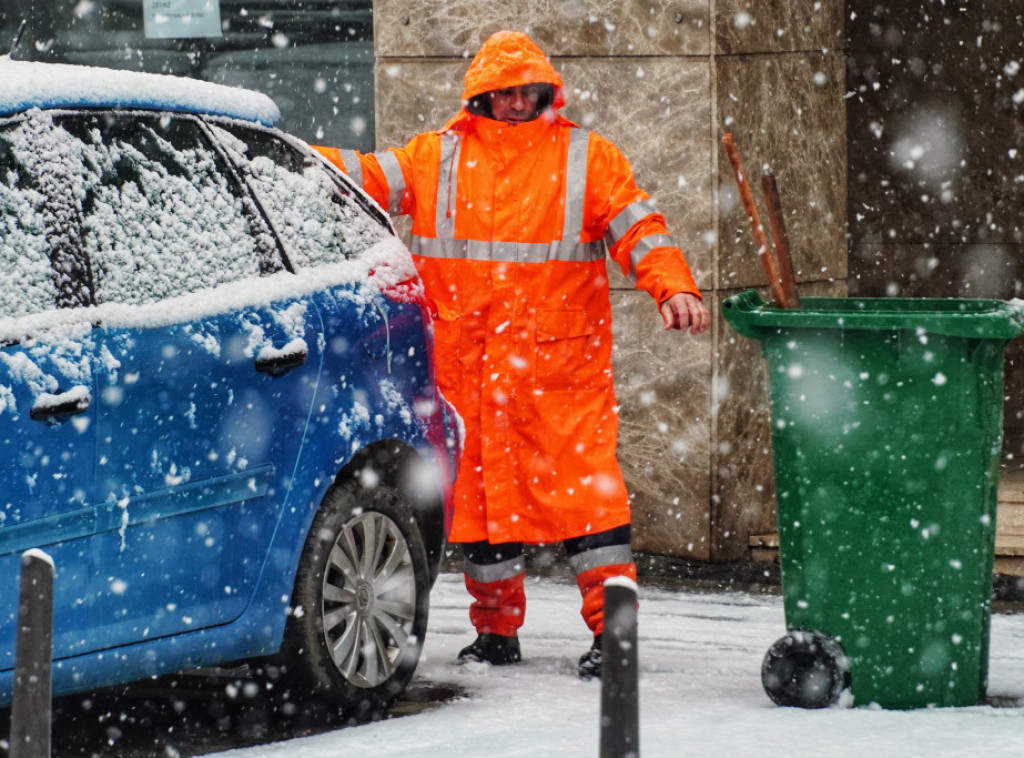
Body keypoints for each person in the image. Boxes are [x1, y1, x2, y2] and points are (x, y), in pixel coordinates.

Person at [313, 30, 710, 679]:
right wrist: (276, 149)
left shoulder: (587, 157)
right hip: (468, 369)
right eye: (504, 92)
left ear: (546, 91)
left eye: (526, 90)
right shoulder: (435, 158)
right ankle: (496, 632)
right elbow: (358, 176)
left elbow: (639, 230)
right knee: (478, 509)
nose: (516, 102)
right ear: (482, 96)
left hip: (560, 372)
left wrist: (674, 286)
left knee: (590, 506)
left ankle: (616, 636)